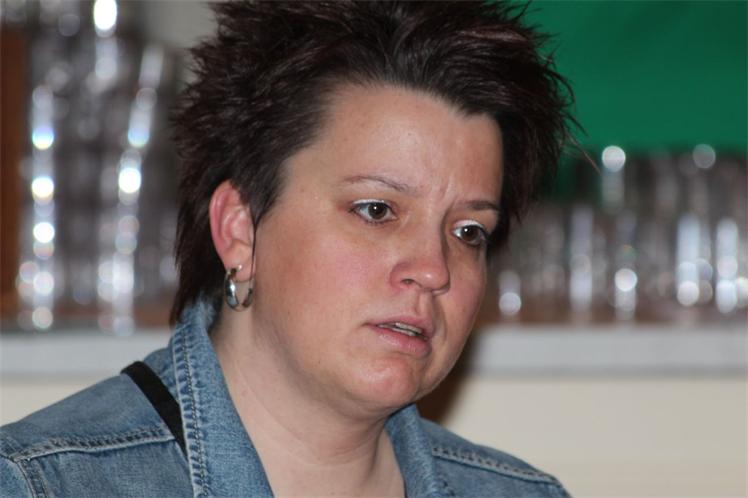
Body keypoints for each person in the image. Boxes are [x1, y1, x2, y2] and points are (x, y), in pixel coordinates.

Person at [1, 1, 574, 496]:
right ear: (241, 231)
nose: (433, 270)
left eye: (469, 231)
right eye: (376, 210)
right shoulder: (43, 484)